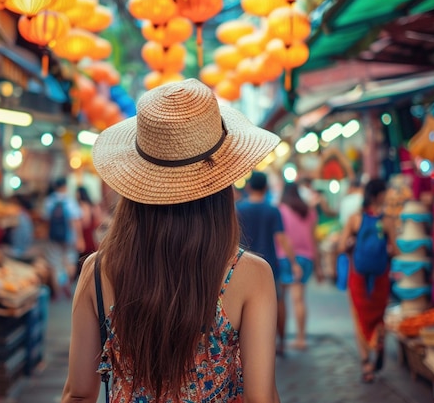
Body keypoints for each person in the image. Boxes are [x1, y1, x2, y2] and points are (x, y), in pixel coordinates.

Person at [62, 79, 282, 403]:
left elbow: (79, 393)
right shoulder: (252, 275)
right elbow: (260, 398)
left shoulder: (98, 270)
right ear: (222, 186)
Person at [338, 178, 397, 384]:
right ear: (380, 195)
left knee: (358, 316)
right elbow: (395, 250)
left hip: (359, 276)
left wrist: (351, 246)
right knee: (379, 315)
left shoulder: (355, 219)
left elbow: (341, 246)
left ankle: (365, 363)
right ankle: (378, 343)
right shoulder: (388, 221)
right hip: (380, 276)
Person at [236, 171, 299, 357]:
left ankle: (245, 349)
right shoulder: (272, 210)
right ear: (265, 188)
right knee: (278, 301)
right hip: (269, 265)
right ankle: (280, 342)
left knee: (243, 305)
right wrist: (294, 262)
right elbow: (282, 238)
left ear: (249, 187)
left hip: (242, 265)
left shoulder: (238, 208)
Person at [276, 182, 319, 351]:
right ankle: (301, 338)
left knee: (282, 300)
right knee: (299, 299)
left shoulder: (280, 210)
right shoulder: (309, 211)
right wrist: (319, 265)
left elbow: (281, 237)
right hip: (307, 258)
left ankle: (282, 339)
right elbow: (314, 238)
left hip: (285, 257)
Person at [43, 177, 85, 298]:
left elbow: (46, 221)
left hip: (53, 237)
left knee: (54, 263)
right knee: (70, 261)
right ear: (65, 187)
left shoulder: (49, 201)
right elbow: (76, 222)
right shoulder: (70, 202)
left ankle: (57, 291)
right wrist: (80, 239)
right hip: (69, 238)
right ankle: (66, 282)